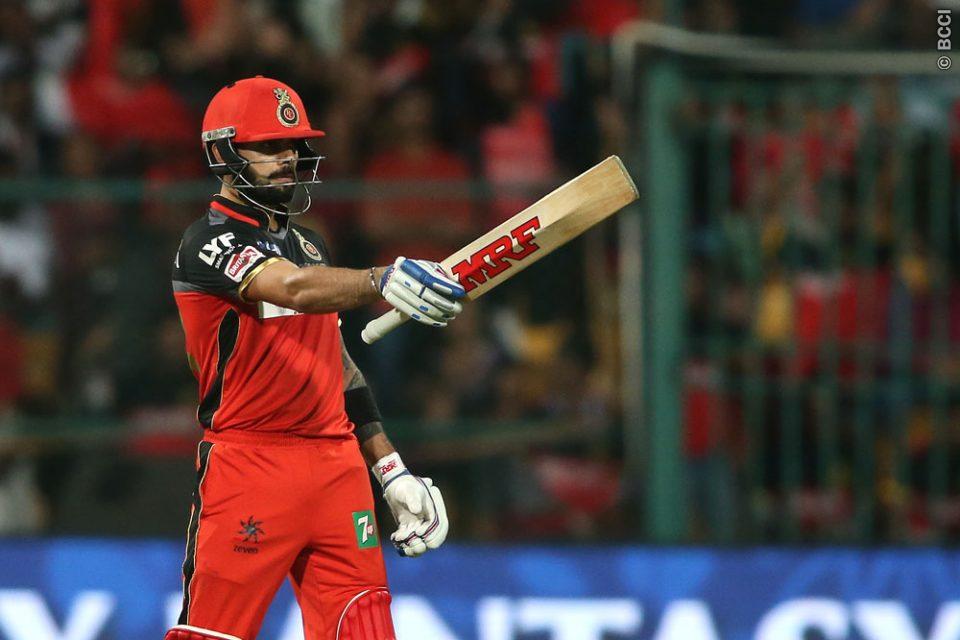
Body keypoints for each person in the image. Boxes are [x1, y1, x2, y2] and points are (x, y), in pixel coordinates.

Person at [165, 76, 465, 640]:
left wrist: (389, 468)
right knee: (211, 633)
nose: (289, 158)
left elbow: (339, 366)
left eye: (293, 145)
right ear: (223, 154)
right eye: (269, 146)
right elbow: (292, 288)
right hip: (250, 465)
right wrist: (381, 279)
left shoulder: (310, 244)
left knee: (365, 628)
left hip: (338, 470)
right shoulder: (207, 241)